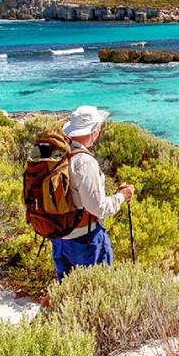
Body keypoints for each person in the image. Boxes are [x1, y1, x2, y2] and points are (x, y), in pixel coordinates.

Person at [51, 106, 134, 281]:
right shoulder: (84, 162)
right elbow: (98, 208)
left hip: (59, 237)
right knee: (96, 289)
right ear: (93, 131)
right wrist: (122, 196)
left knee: (67, 291)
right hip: (84, 241)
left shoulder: (59, 154)